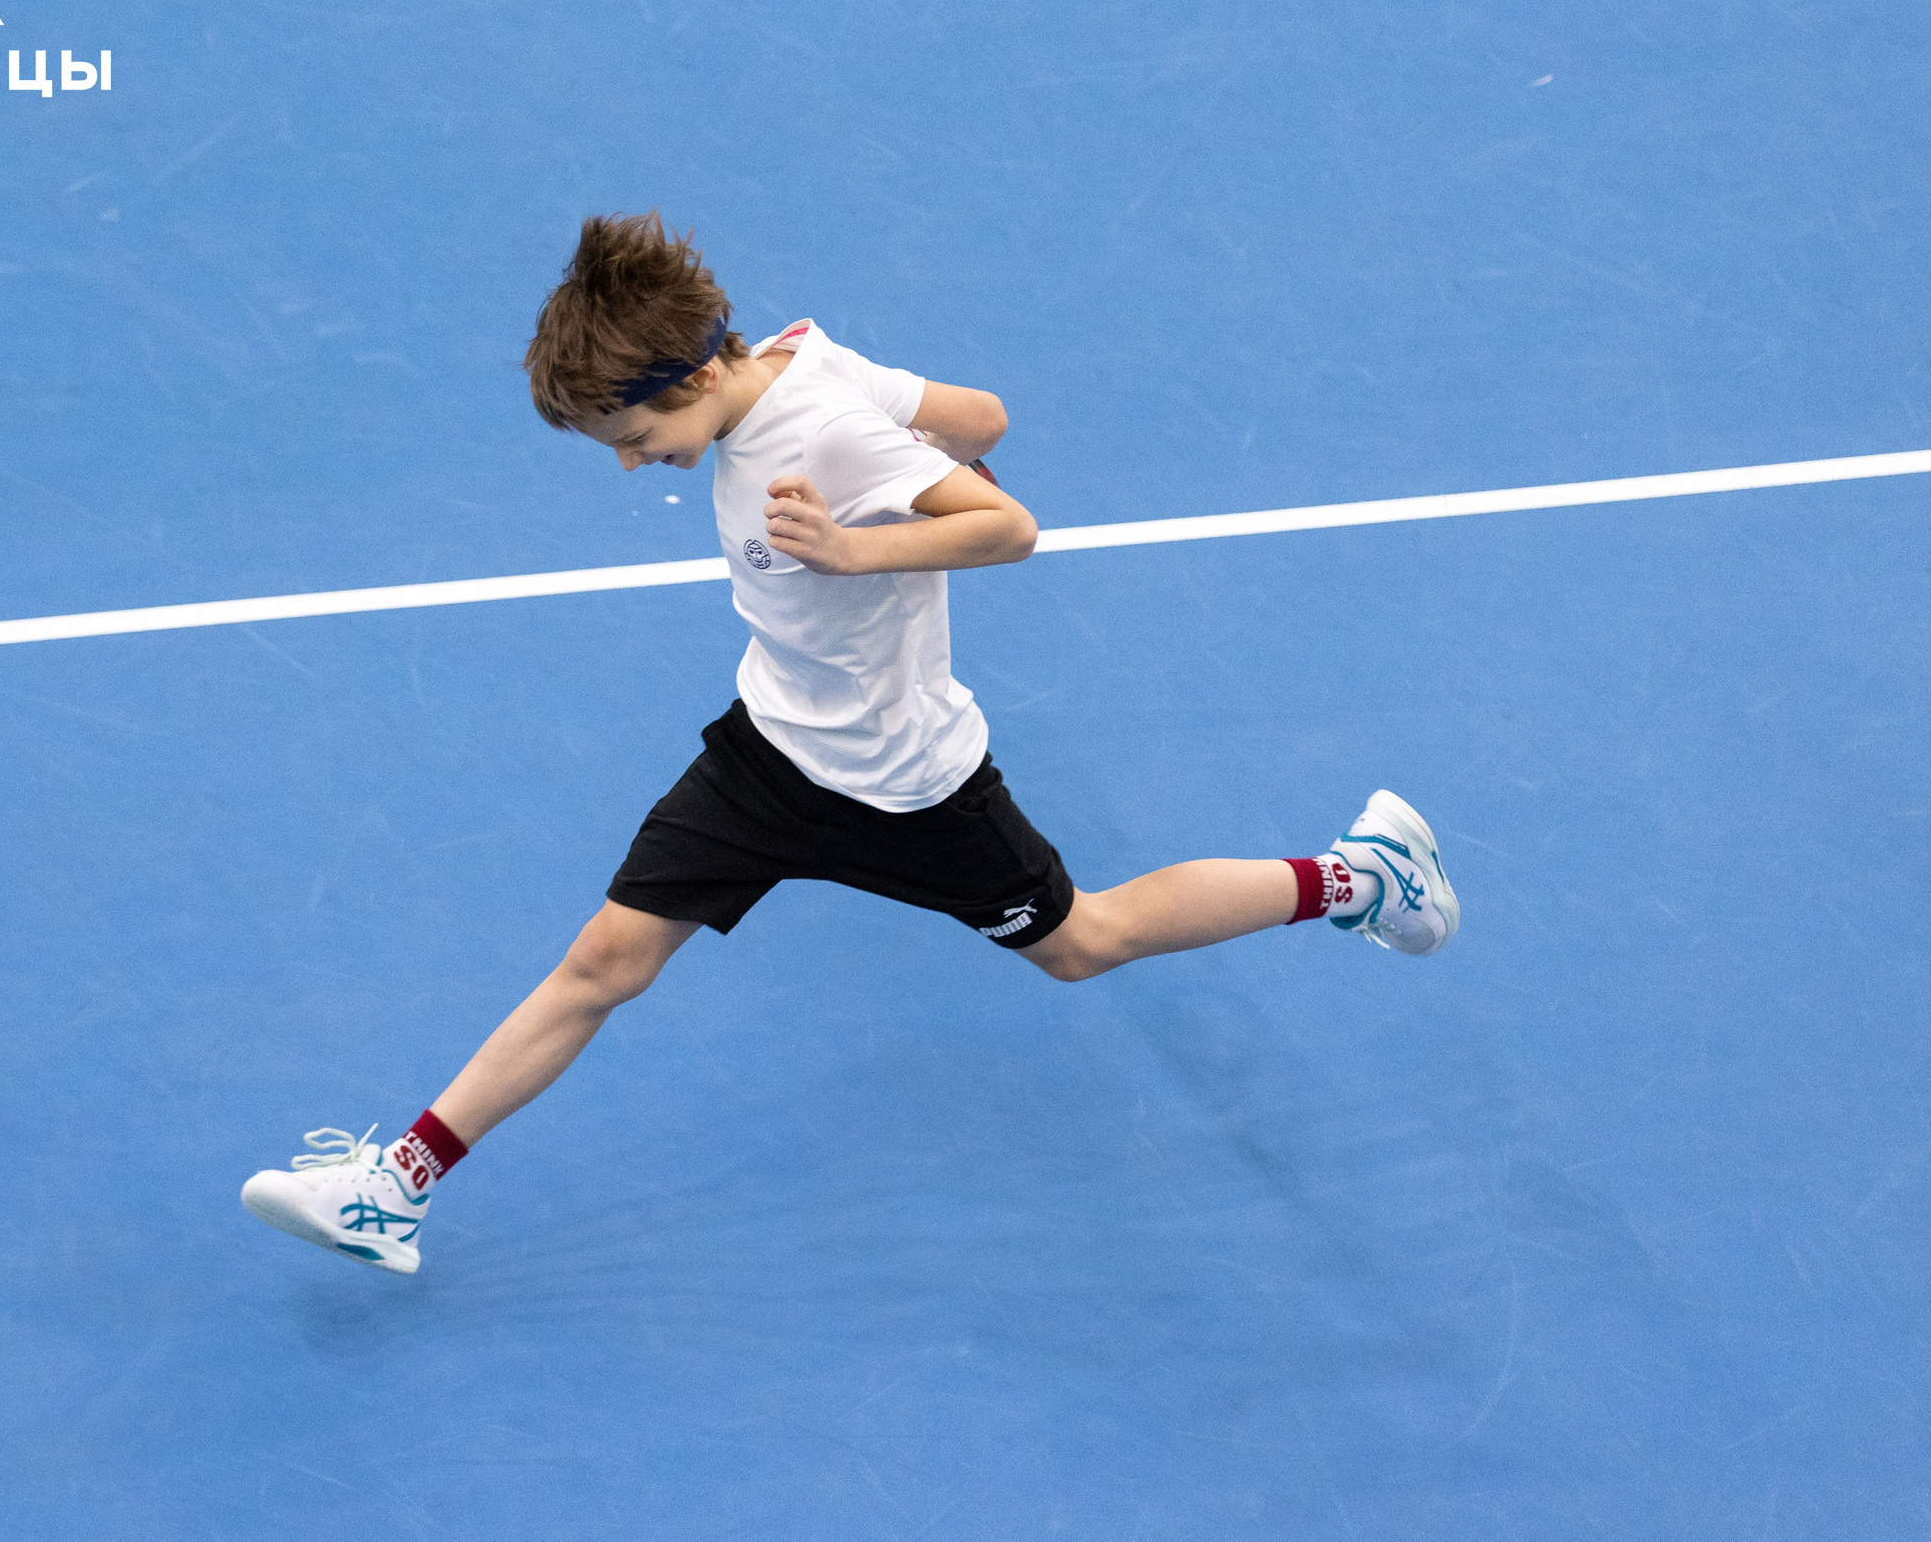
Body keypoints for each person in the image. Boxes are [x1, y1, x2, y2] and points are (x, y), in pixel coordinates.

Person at [241, 213, 1457, 1274]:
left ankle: (1360, 878)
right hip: (768, 755)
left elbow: (1009, 528)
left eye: (631, 432)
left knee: (1086, 941)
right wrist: (926, 454)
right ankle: (392, 1187)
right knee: (603, 960)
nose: (627, 461)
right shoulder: (797, 355)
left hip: (909, 790)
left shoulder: (817, 426)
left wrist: (854, 545)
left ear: (692, 375)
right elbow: (983, 419)